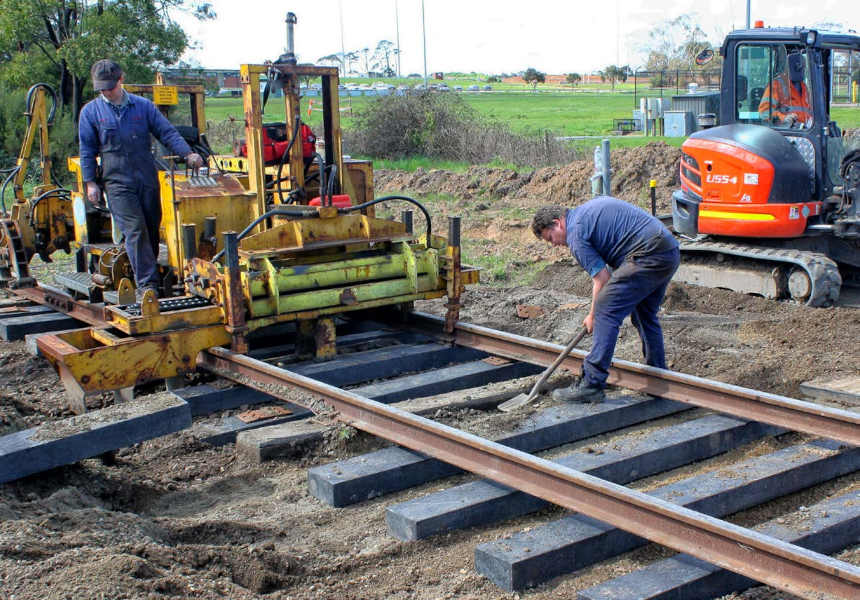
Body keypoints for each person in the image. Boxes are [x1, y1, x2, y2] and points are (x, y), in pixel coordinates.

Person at [532, 197, 680, 403]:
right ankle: (657, 378)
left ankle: (591, 383)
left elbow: (602, 279)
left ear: (558, 223)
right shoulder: (586, 214)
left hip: (646, 254)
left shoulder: (575, 234)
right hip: (668, 251)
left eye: (551, 238)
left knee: (605, 310)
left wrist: (593, 315)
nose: (555, 244)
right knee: (644, 314)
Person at [78, 59, 204, 300]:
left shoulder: (143, 107)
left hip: (145, 176)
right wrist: (90, 182)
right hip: (116, 180)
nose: (106, 92)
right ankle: (147, 286)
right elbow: (87, 150)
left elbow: (166, 132)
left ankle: (149, 274)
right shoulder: (91, 113)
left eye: (110, 87)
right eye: (101, 88)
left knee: (150, 226)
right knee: (135, 229)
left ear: (120, 80)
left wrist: (188, 154)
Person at [758, 48, 812, 128]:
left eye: (803, 67)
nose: (802, 70)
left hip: (803, 131)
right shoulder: (777, 85)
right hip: (785, 133)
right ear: (789, 67)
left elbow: (810, 111)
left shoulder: (804, 87)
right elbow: (764, 112)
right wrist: (783, 117)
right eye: (799, 67)